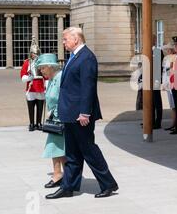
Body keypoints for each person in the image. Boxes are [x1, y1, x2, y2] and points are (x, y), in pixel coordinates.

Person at [46, 27, 118, 199]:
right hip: (70, 113)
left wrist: (85, 113)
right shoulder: (74, 56)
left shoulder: (87, 57)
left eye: (65, 39)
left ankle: (108, 184)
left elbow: (88, 87)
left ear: (76, 39)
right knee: (72, 153)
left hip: (80, 115)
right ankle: (68, 186)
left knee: (88, 151)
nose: (63, 43)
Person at [36, 53, 66, 188]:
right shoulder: (52, 78)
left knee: (56, 148)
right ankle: (61, 174)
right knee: (58, 148)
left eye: (43, 68)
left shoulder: (59, 78)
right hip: (55, 120)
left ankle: (60, 175)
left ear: (50, 67)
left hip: (59, 120)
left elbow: (63, 99)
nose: (41, 71)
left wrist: (52, 112)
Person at [20, 36, 45, 132]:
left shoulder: (42, 63)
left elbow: (46, 75)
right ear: (31, 53)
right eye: (34, 53)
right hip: (31, 86)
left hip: (40, 86)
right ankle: (31, 123)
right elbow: (23, 75)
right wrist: (28, 77)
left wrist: (46, 84)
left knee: (40, 106)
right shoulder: (27, 62)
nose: (36, 55)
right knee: (31, 106)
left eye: (37, 53)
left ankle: (38, 123)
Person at [161, 43, 177, 131]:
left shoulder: (174, 57)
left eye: (169, 49)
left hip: (172, 83)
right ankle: (173, 123)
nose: (168, 51)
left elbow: (170, 70)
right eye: (167, 49)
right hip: (167, 83)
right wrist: (164, 83)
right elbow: (164, 71)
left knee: (174, 105)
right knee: (172, 105)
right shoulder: (166, 58)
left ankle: (175, 123)